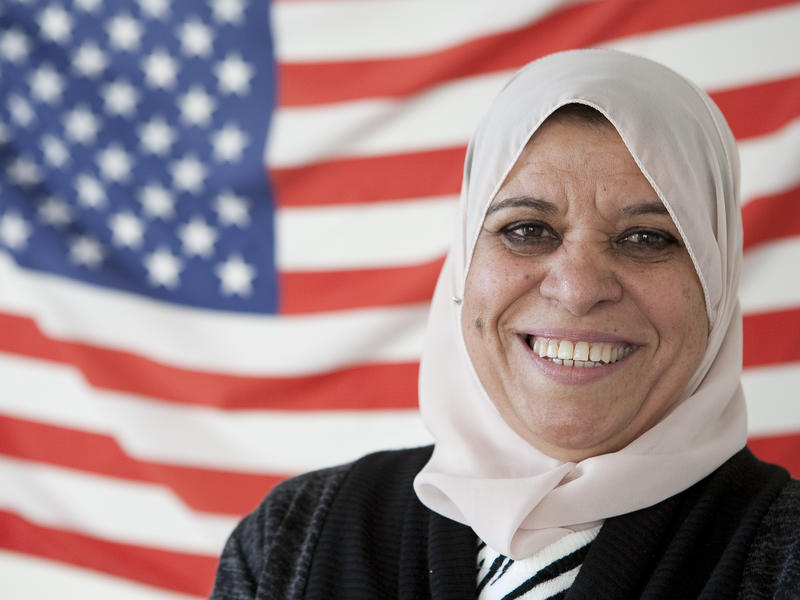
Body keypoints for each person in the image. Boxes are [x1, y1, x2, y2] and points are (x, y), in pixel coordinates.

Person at [210, 50, 799, 599]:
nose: (577, 289)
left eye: (646, 237)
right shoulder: (291, 541)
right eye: (526, 230)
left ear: (715, 283)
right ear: (464, 264)